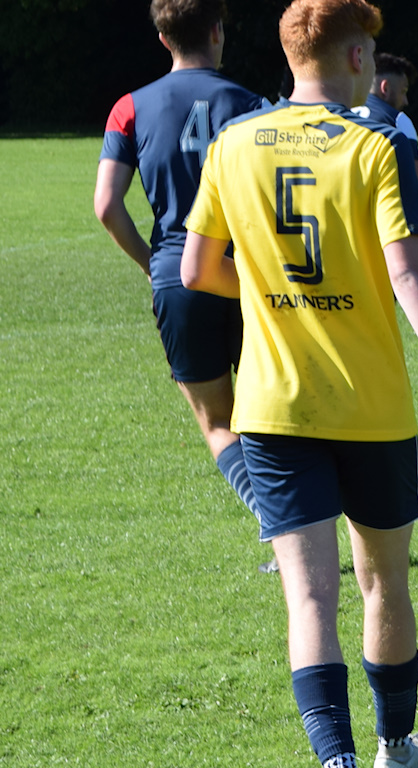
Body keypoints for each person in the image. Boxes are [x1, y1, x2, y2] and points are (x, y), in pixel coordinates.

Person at [181, 0, 418, 768]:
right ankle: (394, 743)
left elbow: (199, 266)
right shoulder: (374, 145)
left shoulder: (234, 142)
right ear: (350, 56)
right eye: (372, 54)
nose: (377, 69)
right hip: (371, 407)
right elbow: (406, 270)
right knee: (383, 580)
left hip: (272, 404)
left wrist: (278, 295)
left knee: (310, 600)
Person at [94, 0, 270, 539]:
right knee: (269, 415)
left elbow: (106, 205)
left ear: (164, 40)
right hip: (246, 276)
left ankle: (278, 524)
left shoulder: (130, 106)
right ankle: (298, 522)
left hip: (178, 274)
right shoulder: (255, 105)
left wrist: (153, 265)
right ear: (218, 31)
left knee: (218, 422)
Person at [354, 52, 418, 246]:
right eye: (404, 91)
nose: (405, 101)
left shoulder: (341, 112)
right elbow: (415, 188)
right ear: (385, 88)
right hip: (384, 228)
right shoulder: (398, 121)